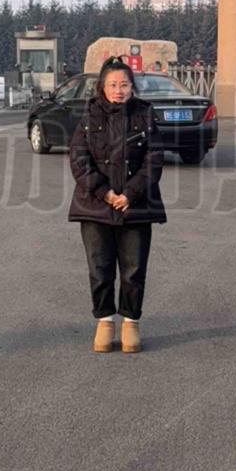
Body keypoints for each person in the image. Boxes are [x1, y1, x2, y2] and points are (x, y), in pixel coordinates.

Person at [67, 57, 166, 353]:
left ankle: (131, 322)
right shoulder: (89, 115)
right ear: (102, 87)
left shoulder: (145, 114)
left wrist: (130, 194)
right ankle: (105, 321)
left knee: (134, 269)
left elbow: (154, 158)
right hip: (95, 206)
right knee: (100, 268)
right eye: (112, 84)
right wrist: (105, 193)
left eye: (124, 84)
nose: (118, 90)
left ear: (132, 87)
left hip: (136, 206)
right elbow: (79, 159)